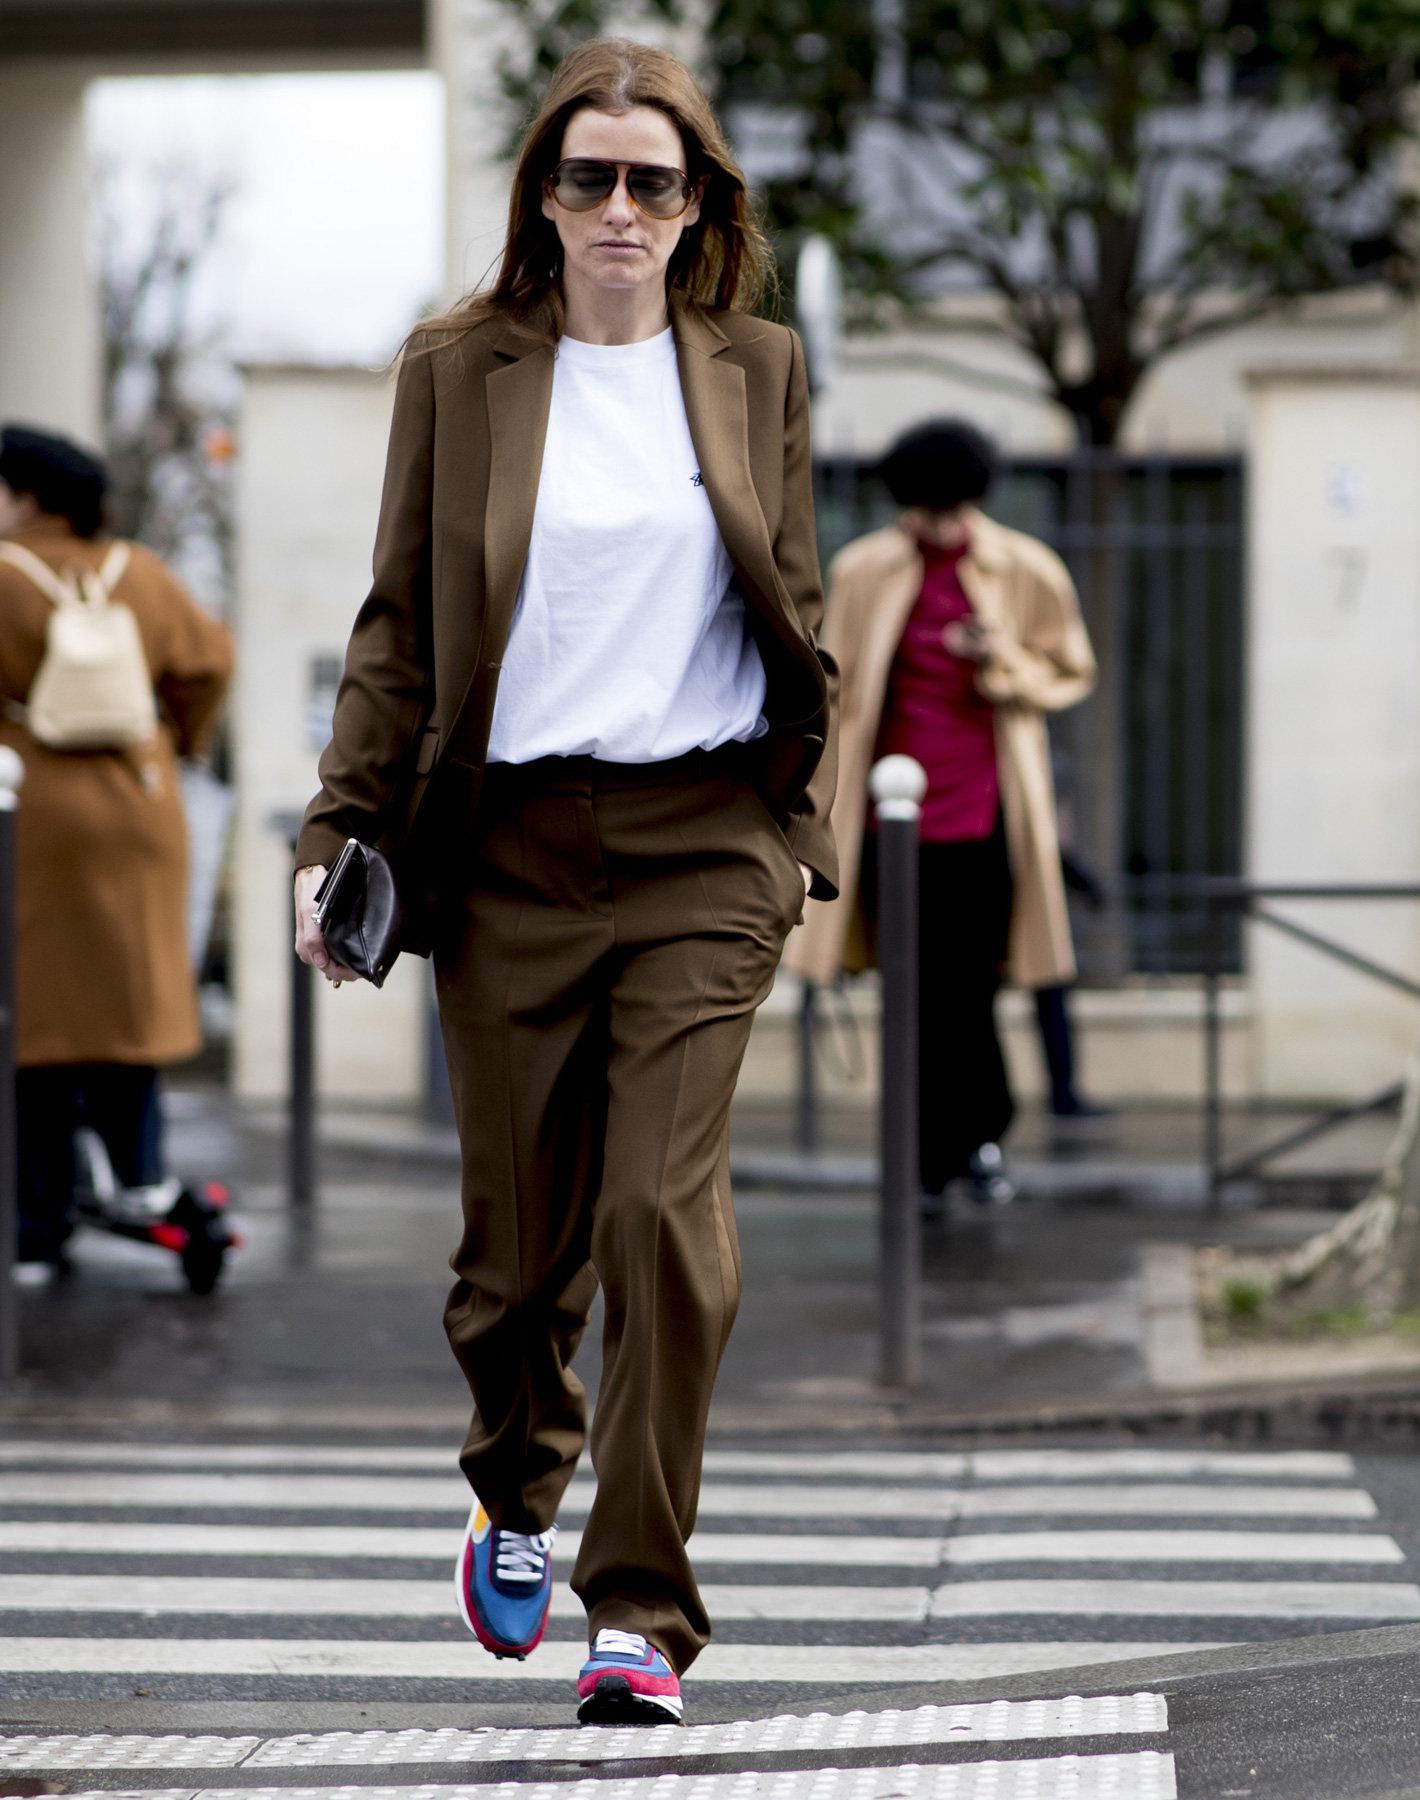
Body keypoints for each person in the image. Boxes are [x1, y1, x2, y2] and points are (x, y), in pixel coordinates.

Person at [290, 41, 832, 1726]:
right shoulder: (461, 370)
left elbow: (790, 594)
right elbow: (399, 622)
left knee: (660, 1218)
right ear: (541, 193)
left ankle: (641, 1607)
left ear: (697, 207)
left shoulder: (756, 368)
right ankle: (515, 1469)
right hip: (510, 854)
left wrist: (797, 812)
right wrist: (338, 832)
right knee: (515, 1263)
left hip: (703, 845)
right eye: (587, 177)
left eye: (651, 183)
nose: (618, 208)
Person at [0, 424, 234, 1280]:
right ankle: (138, 1178)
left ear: (25, 497)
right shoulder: (143, 573)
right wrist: (173, 743)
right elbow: (209, 665)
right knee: (123, 1013)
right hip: (141, 804)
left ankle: (18, 1229)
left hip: (33, 816)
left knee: (26, 1023)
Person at [783, 420, 1095, 1216]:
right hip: (891, 819)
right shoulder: (864, 570)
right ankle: (924, 1155)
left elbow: (1070, 670)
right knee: (910, 989)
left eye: (950, 511)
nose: (936, 528)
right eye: (923, 512)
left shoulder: (1026, 569)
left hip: (989, 815)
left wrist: (1001, 658)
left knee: (974, 989)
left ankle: (979, 1138)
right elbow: (833, 684)